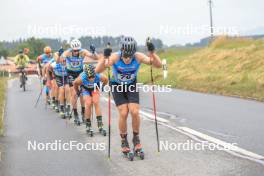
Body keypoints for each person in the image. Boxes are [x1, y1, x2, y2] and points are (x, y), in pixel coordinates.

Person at [96, 36, 162, 154]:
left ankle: (136, 139)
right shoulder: (115, 57)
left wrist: (152, 52)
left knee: (135, 111)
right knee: (123, 112)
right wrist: (104, 57)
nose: (127, 58)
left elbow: (158, 65)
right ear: (121, 50)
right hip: (117, 85)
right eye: (125, 55)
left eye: (130, 56)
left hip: (131, 84)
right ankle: (124, 140)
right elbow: (98, 70)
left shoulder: (138, 56)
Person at [61, 39, 100, 124]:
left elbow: (95, 57)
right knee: (74, 93)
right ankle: (75, 114)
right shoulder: (68, 52)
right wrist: (62, 57)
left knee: (82, 93)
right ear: (71, 49)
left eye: (77, 50)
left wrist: (94, 52)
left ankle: (83, 113)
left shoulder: (83, 52)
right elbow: (62, 57)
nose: (76, 52)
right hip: (71, 73)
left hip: (80, 72)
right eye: (74, 50)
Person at [73, 64, 108, 134]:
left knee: (96, 102)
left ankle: (100, 124)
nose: (91, 79)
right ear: (86, 76)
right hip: (85, 89)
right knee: (88, 103)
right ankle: (88, 125)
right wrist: (77, 92)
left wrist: (103, 87)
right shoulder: (81, 78)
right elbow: (75, 84)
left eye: (93, 77)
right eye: (89, 77)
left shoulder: (98, 76)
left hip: (95, 88)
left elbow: (106, 80)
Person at [52, 48, 71, 118]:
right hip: (58, 76)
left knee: (67, 89)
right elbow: (56, 61)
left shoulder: (68, 55)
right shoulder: (56, 57)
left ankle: (68, 106)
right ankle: (62, 107)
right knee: (61, 89)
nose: (64, 61)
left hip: (66, 76)